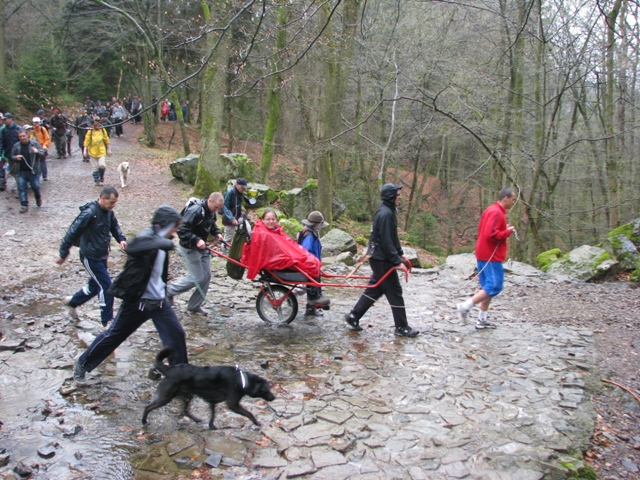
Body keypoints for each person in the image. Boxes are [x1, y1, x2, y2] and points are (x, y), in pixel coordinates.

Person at [73, 205, 188, 383]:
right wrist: (161, 243)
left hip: (158, 301)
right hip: (137, 301)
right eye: (174, 226)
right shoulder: (147, 237)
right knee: (113, 336)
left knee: (176, 335)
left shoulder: (165, 240)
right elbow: (133, 247)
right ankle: (83, 362)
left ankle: (179, 377)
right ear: (164, 224)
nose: (176, 230)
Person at [343, 184, 419, 337]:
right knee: (395, 292)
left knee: (375, 289)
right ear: (391, 196)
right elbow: (385, 240)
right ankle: (401, 327)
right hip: (382, 260)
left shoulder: (388, 211)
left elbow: (392, 237)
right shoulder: (385, 214)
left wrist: (399, 254)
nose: (400, 197)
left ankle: (354, 316)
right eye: (398, 195)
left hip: (380, 258)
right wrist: (396, 261)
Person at [56, 186, 127, 326]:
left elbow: (114, 226)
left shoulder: (108, 212)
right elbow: (72, 232)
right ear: (102, 198)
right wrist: (63, 254)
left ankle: (72, 302)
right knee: (107, 287)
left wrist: (121, 239)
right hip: (89, 256)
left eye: (115, 203)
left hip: (102, 255)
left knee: (95, 285)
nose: (113, 206)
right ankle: (106, 324)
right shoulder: (89, 213)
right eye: (111, 202)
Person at [456, 188, 517, 329]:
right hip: (491, 255)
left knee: (486, 287)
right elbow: (492, 234)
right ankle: (465, 306)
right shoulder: (496, 212)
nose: (514, 202)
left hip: (484, 253)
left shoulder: (492, 210)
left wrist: (504, 229)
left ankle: (481, 320)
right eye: (513, 199)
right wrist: (507, 232)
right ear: (506, 198)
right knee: (494, 286)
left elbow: (489, 230)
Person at [166, 192, 224, 316]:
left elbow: (211, 224)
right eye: (216, 207)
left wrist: (217, 233)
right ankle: (169, 291)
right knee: (197, 277)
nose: (217, 210)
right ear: (210, 201)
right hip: (190, 246)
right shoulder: (195, 210)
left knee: (206, 275)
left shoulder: (211, 211)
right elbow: (181, 229)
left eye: (219, 208)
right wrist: (196, 240)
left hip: (202, 247)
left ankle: (194, 305)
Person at [299, 211, 331, 316]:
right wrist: (313, 263)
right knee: (313, 285)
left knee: (316, 283)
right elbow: (306, 251)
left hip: (314, 264)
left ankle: (311, 309)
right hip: (310, 265)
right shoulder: (309, 235)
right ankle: (314, 300)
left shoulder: (312, 233)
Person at [11, 129, 46, 213]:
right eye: (20, 137)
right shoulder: (16, 146)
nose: (22, 138)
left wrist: (37, 152)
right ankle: (24, 204)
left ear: (27, 135)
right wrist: (16, 158)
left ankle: (38, 197)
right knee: (22, 187)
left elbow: (43, 155)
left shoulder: (34, 144)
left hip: (33, 171)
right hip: (21, 171)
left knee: (35, 187)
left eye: (23, 136)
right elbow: (11, 156)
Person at [83, 116, 111, 186]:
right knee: (95, 168)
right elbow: (87, 140)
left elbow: (106, 139)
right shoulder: (90, 130)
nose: (97, 123)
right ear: (93, 123)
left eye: (98, 122)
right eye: (95, 122)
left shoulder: (102, 130)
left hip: (101, 151)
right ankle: (97, 180)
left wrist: (108, 149)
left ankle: (101, 176)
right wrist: (85, 150)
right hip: (92, 152)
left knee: (102, 165)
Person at [222, 178, 249, 248]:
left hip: (237, 216)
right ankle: (223, 254)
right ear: (237, 185)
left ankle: (234, 251)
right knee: (228, 237)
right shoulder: (230, 192)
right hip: (229, 218)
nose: (244, 189)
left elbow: (238, 206)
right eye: (242, 187)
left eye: (244, 187)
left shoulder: (239, 193)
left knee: (246, 229)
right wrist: (231, 219)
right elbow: (225, 207)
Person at [0, 113, 21, 191]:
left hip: (19, 155)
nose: (4, 121)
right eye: (3, 119)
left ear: (10, 119)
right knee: (13, 171)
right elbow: (1, 142)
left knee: (19, 171)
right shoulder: (3, 130)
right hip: (9, 155)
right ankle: (20, 186)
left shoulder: (19, 129)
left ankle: (20, 189)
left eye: (5, 119)